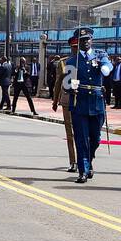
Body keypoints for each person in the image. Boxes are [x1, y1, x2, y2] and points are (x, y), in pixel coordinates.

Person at [62, 28, 111, 183]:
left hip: (96, 103)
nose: (85, 42)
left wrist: (105, 69)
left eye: (87, 39)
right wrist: (71, 87)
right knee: (81, 139)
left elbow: (108, 66)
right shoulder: (71, 61)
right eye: (82, 39)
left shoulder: (100, 55)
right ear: (78, 41)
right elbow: (65, 84)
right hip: (80, 103)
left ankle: (88, 161)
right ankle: (83, 170)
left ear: (92, 40)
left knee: (95, 139)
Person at [51, 35, 79, 173]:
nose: (76, 49)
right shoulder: (63, 62)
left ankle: (85, 159)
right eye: (73, 47)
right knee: (70, 133)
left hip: (83, 99)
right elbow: (58, 83)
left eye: (77, 47)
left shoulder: (87, 61)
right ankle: (73, 161)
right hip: (68, 100)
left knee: (85, 133)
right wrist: (55, 100)